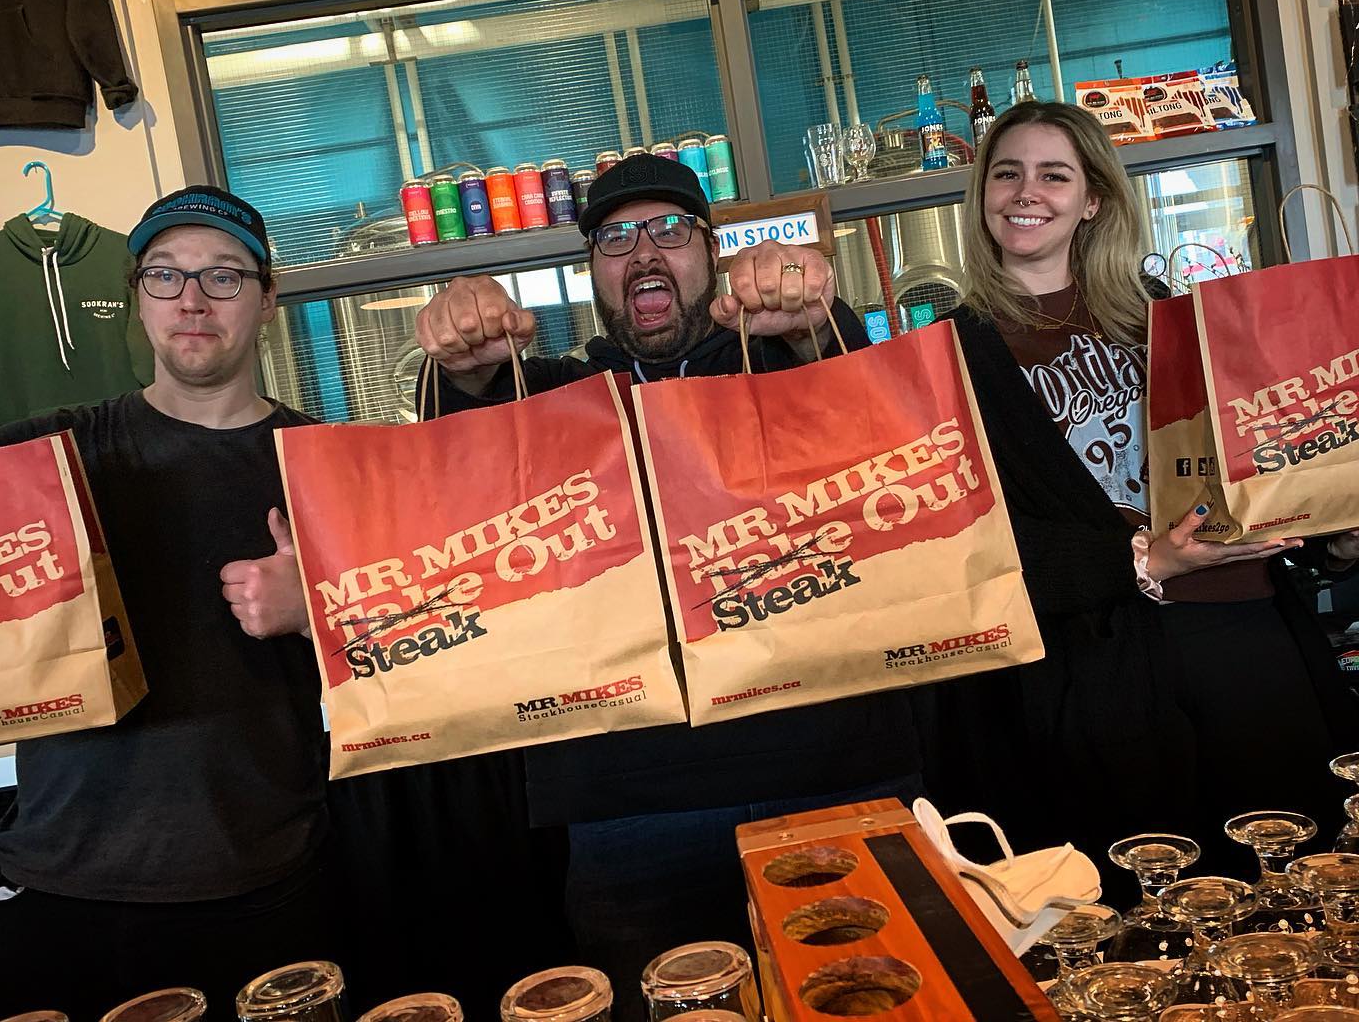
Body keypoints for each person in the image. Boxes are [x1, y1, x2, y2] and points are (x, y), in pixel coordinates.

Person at [415, 153, 926, 1021]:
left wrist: (815, 320)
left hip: (832, 768)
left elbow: (887, 427)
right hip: (627, 806)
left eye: (669, 229)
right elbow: (454, 469)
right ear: (590, 272)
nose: (644, 252)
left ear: (712, 253)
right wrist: (466, 362)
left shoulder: (782, 360)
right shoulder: (550, 397)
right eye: (615, 238)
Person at [919, 101, 1359, 893]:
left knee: (1299, 880)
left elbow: (1245, 463)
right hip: (1102, 666)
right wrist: (1143, 559)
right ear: (982, 195)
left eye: (1054, 175)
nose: (1026, 192)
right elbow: (966, 543)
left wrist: (1332, 534)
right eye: (1007, 174)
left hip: (1246, 628)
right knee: (1157, 899)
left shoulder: (1160, 308)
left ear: (1093, 198)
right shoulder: (953, 351)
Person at [0, 186, 335, 1020]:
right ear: (138, 298)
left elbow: (415, 648)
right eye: (165, 275)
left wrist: (317, 606)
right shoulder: (48, 453)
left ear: (267, 299)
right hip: (56, 889)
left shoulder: (326, 462)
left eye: (224, 276)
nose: (192, 299)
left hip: (263, 883)